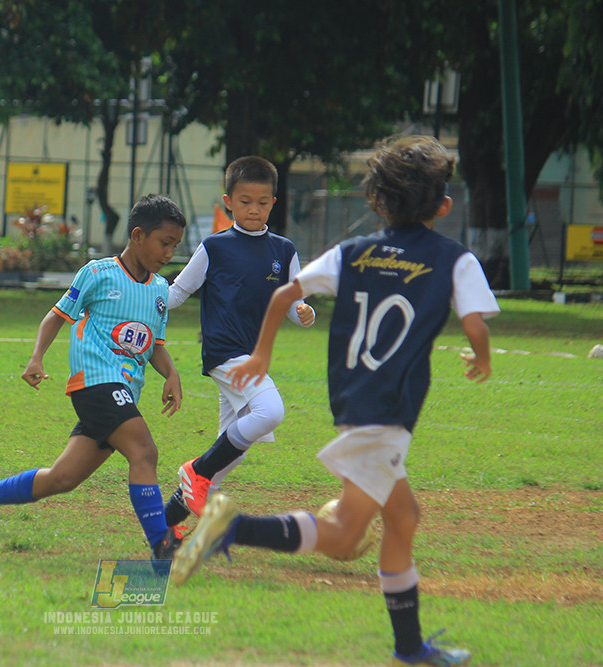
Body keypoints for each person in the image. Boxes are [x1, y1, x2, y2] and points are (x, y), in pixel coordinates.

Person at [171, 136, 500, 666]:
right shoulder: (454, 259)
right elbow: (476, 327)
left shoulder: (354, 251)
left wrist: (262, 352)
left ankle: (410, 647)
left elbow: (285, 296)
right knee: (346, 535)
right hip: (389, 411)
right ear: (443, 205)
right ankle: (229, 527)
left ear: (377, 202)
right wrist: (480, 359)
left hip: (355, 401)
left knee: (404, 518)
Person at [0, 194, 186, 560]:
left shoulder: (160, 291)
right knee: (144, 451)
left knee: (62, 479)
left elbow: (154, 344)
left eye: (175, 246)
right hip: (96, 382)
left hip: (123, 393)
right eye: (164, 243)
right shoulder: (99, 273)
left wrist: (171, 373)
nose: (169, 253)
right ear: (137, 235)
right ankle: (161, 543)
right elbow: (56, 316)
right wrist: (36, 357)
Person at [163, 156, 316, 528]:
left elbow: (293, 304)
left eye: (263, 202)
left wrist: (303, 311)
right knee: (271, 411)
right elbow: (178, 292)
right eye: (245, 201)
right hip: (225, 352)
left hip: (252, 357)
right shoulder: (214, 247)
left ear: (273, 204)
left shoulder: (284, 250)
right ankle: (195, 470)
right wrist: (136, 303)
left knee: (231, 454)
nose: (254, 209)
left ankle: (164, 525)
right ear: (228, 200)